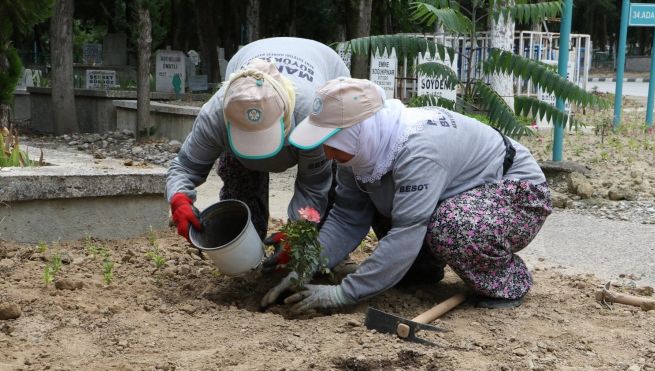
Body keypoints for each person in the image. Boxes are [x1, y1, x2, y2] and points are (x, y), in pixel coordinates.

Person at [261, 77, 552, 313]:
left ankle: (505, 281)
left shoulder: (418, 150)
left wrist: (342, 294)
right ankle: (421, 268)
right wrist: (305, 267)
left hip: (516, 195)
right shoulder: (362, 150)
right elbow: (347, 217)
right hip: (460, 194)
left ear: (356, 133)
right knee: (385, 195)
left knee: (451, 226)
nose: (326, 153)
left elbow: (407, 230)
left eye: (331, 143)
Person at [166, 37, 350, 254]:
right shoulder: (216, 113)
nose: (258, 154)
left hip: (326, 69)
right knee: (238, 178)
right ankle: (249, 251)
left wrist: (297, 230)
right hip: (248, 60)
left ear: (284, 120)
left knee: (334, 167)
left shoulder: (312, 117)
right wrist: (179, 199)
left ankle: (323, 251)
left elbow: (314, 185)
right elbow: (185, 167)